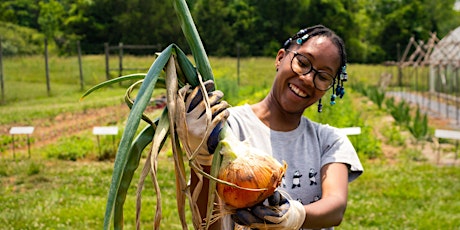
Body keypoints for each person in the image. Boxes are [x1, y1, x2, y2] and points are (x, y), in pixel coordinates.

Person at [181, 24, 363, 230]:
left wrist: (295, 216)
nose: (307, 78)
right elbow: (206, 223)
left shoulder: (330, 141)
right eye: (303, 63)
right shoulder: (227, 128)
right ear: (280, 58)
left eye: (322, 77)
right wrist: (203, 158)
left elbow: (336, 207)